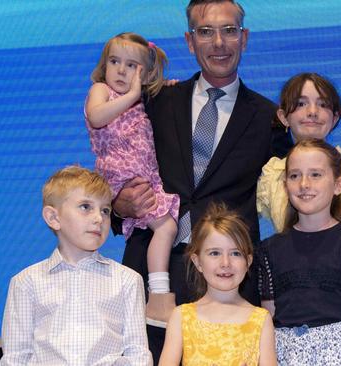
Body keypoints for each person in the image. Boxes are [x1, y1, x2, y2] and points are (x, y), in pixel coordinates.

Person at [110, 1, 291, 362]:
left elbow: (301, 181)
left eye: (229, 30)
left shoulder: (269, 118)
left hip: (228, 277)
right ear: (190, 41)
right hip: (153, 271)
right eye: (206, 32)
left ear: (245, 38)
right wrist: (117, 205)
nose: (219, 42)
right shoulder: (153, 101)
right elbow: (114, 161)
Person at [0, 166, 151, 366]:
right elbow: (15, 358)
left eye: (105, 210)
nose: (99, 218)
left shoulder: (128, 280)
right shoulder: (26, 282)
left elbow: (138, 354)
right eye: (85, 207)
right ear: (53, 218)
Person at [257, 139, 341, 365]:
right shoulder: (270, 250)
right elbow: (268, 322)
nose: (304, 183)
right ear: (286, 185)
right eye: (295, 176)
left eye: (315, 175)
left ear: (338, 185)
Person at [85, 32, 180, 324]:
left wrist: (161, 89)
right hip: (121, 177)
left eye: (131, 66)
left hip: (145, 178)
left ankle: (157, 293)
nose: (121, 70)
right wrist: (131, 96)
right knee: (165, 227)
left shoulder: (140, 101)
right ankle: (160, 295)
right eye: (114, 61)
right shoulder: (101, 91)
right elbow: (97, 117)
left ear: (144, 73)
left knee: (167, 227)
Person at [257, 72, 341, 237]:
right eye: (301, 103)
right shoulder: (272, 174)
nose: (312, 111)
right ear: (283, 117)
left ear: (335, 118)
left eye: (323, 104)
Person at [159, 204, 277, 366]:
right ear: (198, 261)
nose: (225, 263)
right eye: (215, 253)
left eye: (235, 253)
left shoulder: (261, 320)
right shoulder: (181, 317)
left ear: (248, 262)